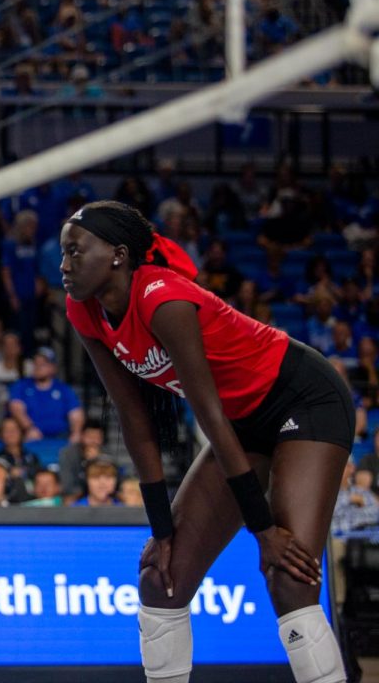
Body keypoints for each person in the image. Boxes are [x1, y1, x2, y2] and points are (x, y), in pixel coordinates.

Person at [62, 199, 353, 683]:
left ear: (117, 254)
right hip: (239, 421)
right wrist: (162, 532)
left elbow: (210, 418)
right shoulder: (83, 310)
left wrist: (264, 534)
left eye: (75, 252)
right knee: (161, 581)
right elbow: (135, 422)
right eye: (63, 255)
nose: (64, 266)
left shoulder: (162, 298)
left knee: (289, 578)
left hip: (302, 400)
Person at [7, 347, 84, 440]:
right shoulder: (22, 386)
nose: (38, 367)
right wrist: (29, 428)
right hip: (30, 436)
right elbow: (16, 408)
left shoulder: (63, 389)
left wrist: (76, 432)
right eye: (36, 363)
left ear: (53, 368)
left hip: (61, 436)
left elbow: (76, 413)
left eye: (43, 364)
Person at [58, 420, 108, 498]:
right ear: (82, 436)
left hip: (102, 497)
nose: (93, 441)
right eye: (90, 437)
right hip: (76, 497)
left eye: (97, 437)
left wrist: (97, 461)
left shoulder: (106, 455)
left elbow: (112, 484)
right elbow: (67, 486)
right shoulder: (68, 454)